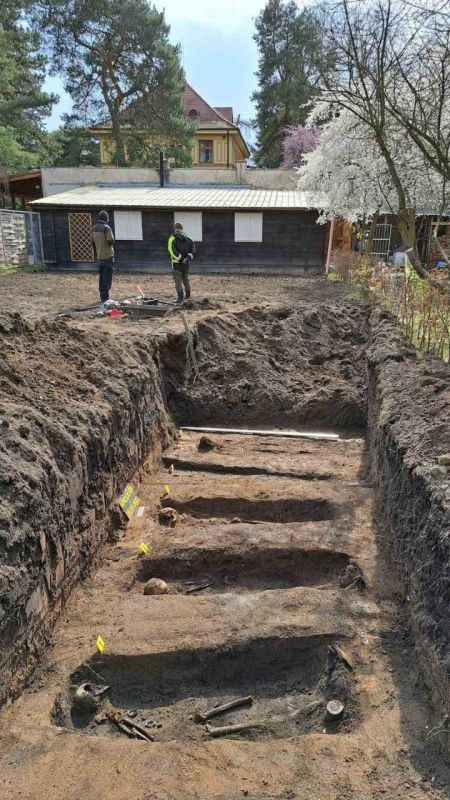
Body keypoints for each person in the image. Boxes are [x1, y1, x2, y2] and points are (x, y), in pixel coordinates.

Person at [167, 222, 195, 304]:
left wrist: (180, 258)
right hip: (186, 263)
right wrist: (188, 258)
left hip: (177, 264)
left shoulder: (172, 239)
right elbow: (193, 250)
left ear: (175, 229)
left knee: (178, 281)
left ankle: (180, 298)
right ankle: (188, 295)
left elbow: (172, 251)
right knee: (185, 279)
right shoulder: (188, 239)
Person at [92, 210, 115, 304]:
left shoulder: (93, 228)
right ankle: (106, 298)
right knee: (107, 277)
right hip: (108, 256)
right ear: (106, 218)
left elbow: (92, 243)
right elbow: (111, 241)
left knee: (102, 277)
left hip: (99, 257)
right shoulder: (106, 228)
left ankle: (102, 296)